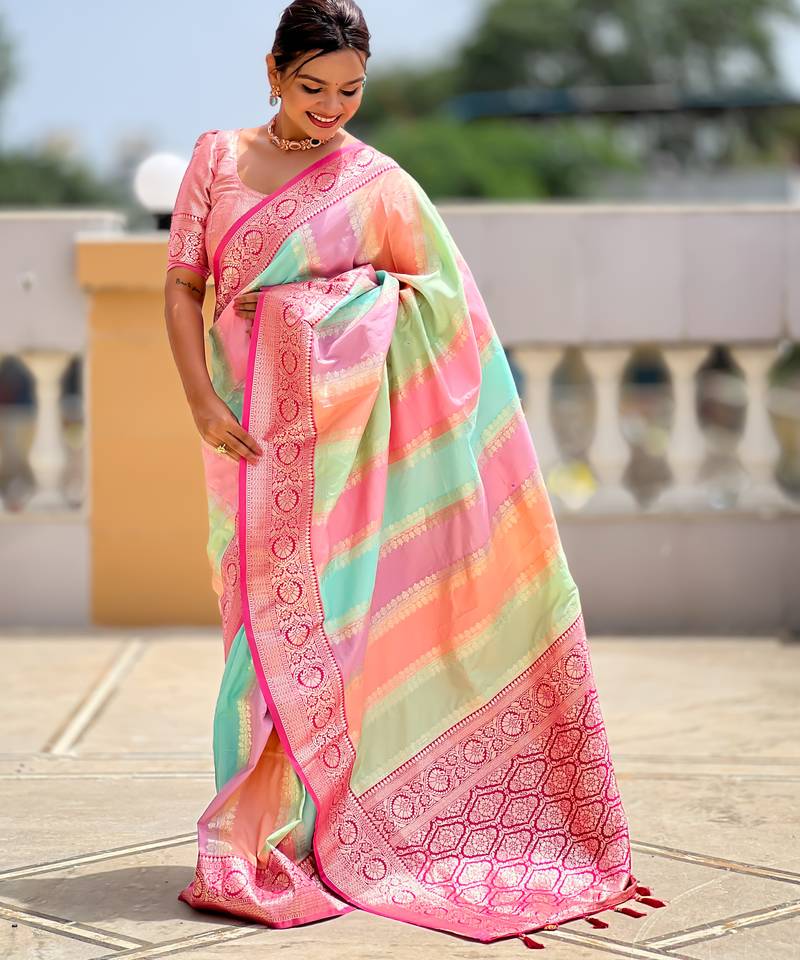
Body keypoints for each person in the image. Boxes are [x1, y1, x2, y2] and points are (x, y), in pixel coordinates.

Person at [163, 0, 662, 948]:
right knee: (250, 636)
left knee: (324, 633)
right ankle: (256, 832)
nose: (331, 109)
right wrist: (200, 400)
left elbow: (444, 304)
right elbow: (184, 285)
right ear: (272, 71)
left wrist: (332, 307)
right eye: (312, 87)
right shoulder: (217, 160)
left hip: (344, 453)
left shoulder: (378, 185)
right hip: (241, 434)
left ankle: (282, 838)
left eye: (350, 91)